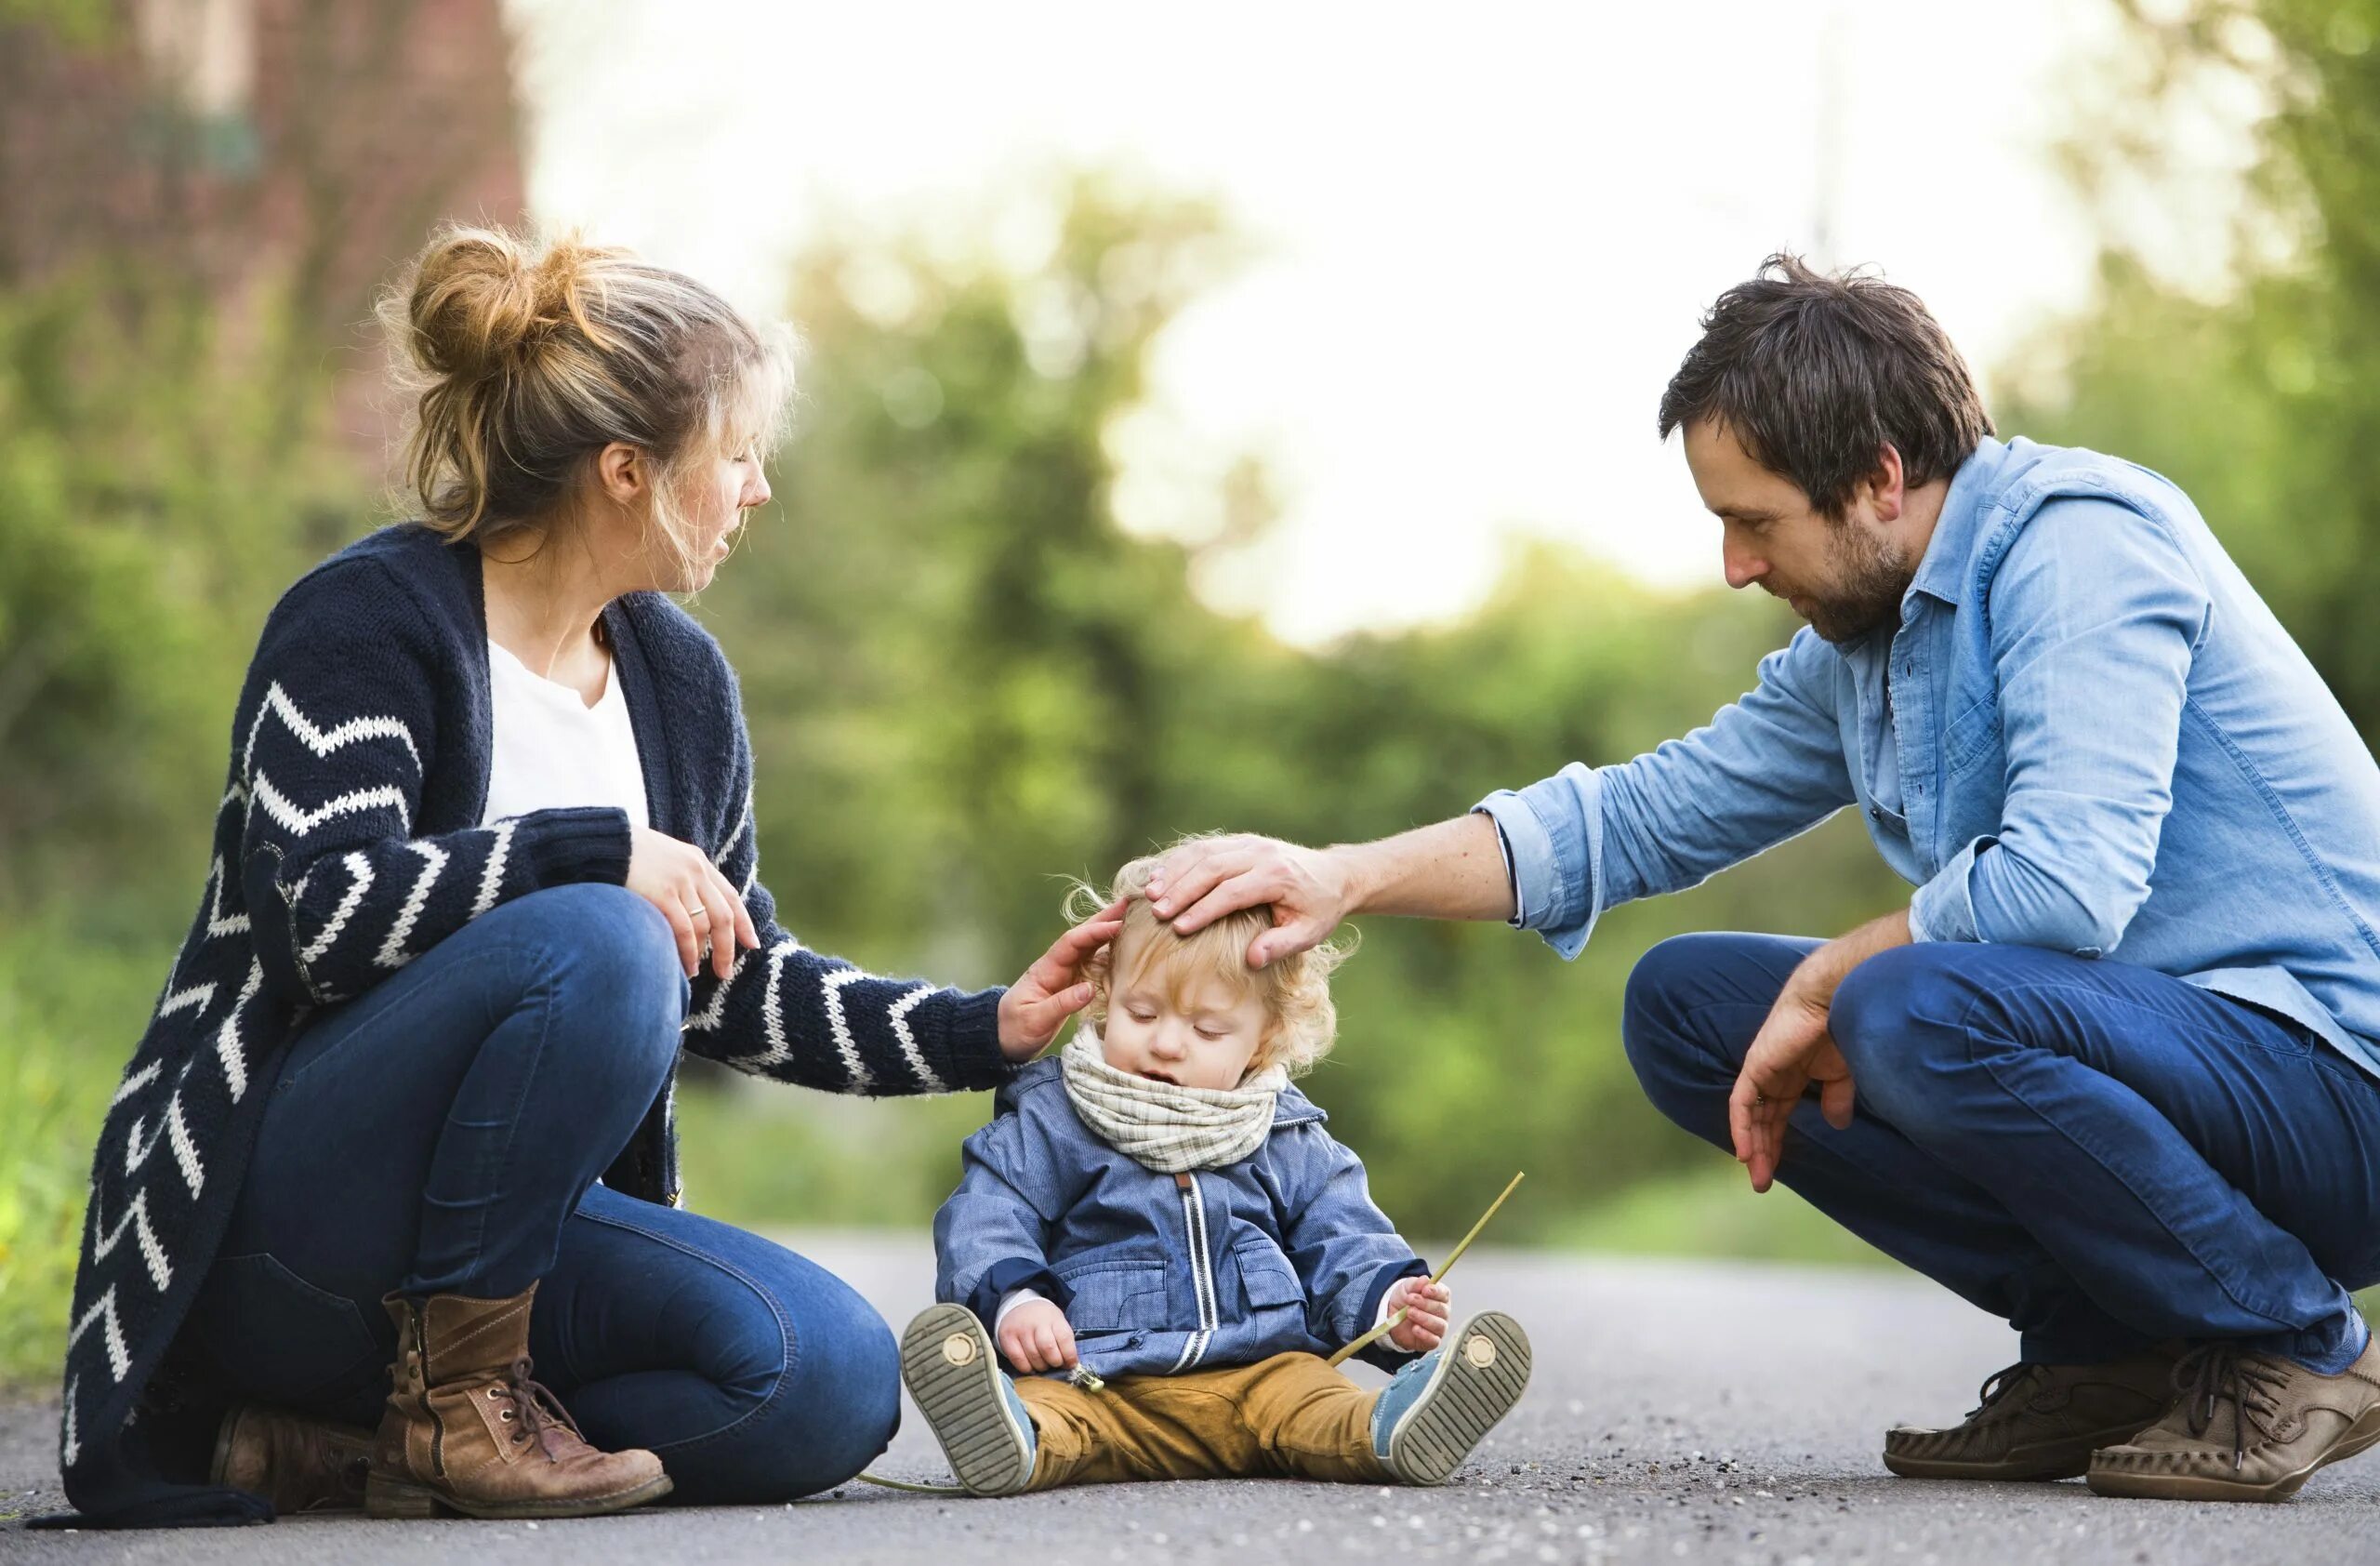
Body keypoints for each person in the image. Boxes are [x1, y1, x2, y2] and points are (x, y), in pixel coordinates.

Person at [1134, 255, 2380, 1505]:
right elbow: (1628, 819)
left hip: (2334, 1086)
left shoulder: (2078, 546)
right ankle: (2115, 1346)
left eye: (1754, 520)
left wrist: (1842, 966)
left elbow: (2069, 883)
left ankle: (2294, 1343)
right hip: (2174, 1077)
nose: (1735, 564)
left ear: (1879, 480)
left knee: (1906, 1003)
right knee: (1688, 1008)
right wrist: (1342, 876)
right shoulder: (1869, 644)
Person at [50, 224, 1121, 1528]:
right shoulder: (362, 624)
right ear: (628, 472)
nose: (759, 490)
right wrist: (591, 850)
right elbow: (322, 922)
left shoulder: (680, 683)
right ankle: (438, 1414)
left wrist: (984, 1026)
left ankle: (334, 1445)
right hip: (281, 1228)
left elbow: (734, 977)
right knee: (610, 938)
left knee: (829, 1380)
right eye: (737, 457)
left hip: (507, 1243)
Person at [900, 847, 1531, 1495]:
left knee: (1319, 1406)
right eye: (1142, 1013)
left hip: (1260, 1373)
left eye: (1207, 1029)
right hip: (1102, 1377)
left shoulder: (1283, 1132)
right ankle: (1012, 1436)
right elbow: (987, 1213)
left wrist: (1390, 1304)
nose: (1167, 1042)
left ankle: (1395, 1426)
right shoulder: (1054, 1118)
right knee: (1057, 1417)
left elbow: (1342, 1235)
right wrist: (1017, 1301)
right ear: (1104, 996)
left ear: (1262, 1038)